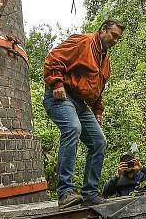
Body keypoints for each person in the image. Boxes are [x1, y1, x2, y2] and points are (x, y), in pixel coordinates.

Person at [43, 19, 125, 207]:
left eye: (119, 39)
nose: (115, 40)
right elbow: (53, 58)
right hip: (61, 96)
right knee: (73, 127)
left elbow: (97, 88)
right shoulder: (83, 42)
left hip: (81, 104)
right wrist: (56, 82)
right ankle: (65, 193)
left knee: (99, 141)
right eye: (114, 36)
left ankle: (89, 193)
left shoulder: (106, 60)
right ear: (103, 30)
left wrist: (98, 110)